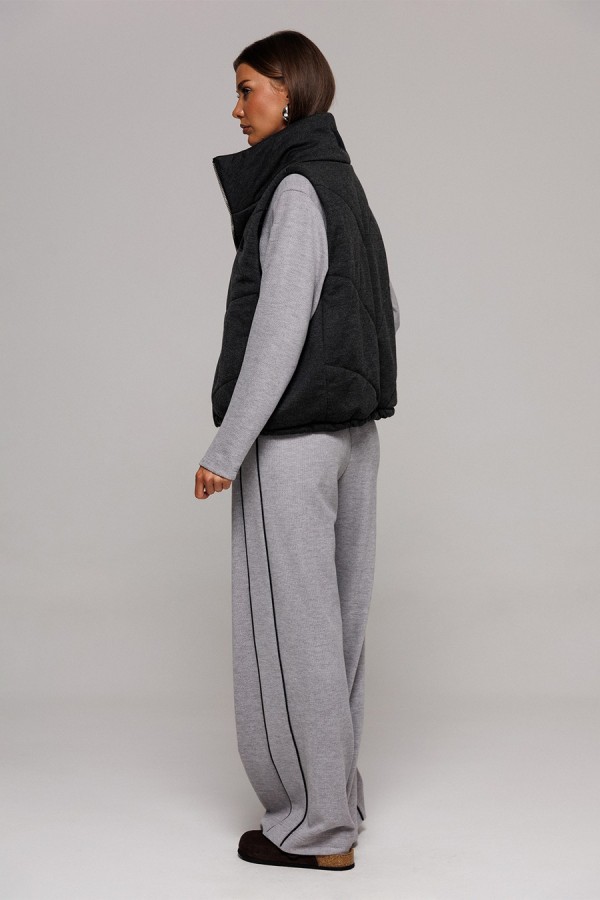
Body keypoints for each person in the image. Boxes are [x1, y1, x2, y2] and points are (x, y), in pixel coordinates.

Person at [194, 30, 399, 872]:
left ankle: (315, 830)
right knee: (336, 632)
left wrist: (227, 447)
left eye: (248, 89)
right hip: (356, 438)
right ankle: (337, 801)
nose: (237, 108)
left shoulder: (293, 192)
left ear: (288, 91)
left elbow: (278, 335)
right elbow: (386, 314)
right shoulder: (344, 185)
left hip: (293, 448)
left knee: (296, 636)